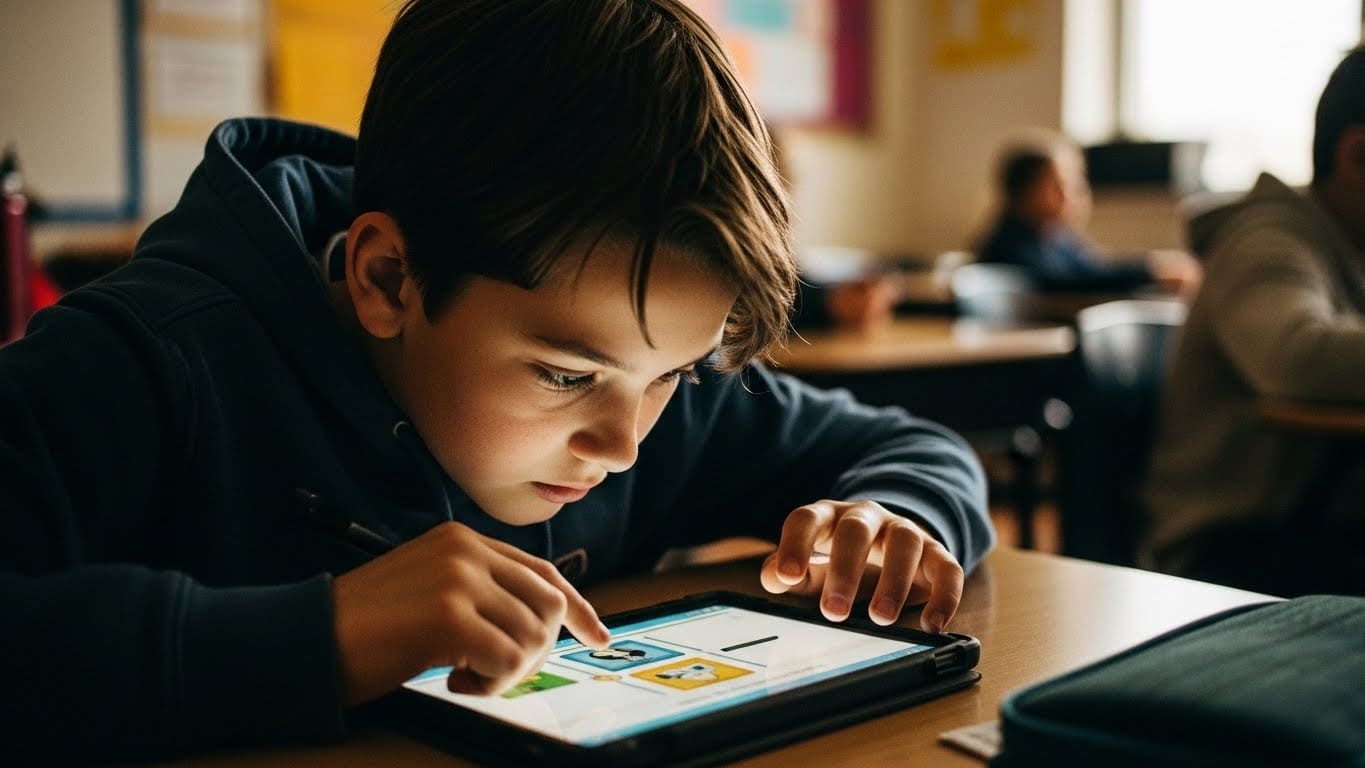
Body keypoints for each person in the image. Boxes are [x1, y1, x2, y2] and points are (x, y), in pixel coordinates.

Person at [0, 0, 992, 762]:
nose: (624, 446)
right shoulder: (151, 358)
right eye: (565, 375)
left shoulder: (638, 390)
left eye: (673, 377)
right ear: (389, 277)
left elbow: (914, 447)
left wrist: (893, 514)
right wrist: (322, 636)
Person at [1142, 46, 1365, 596]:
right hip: (1231, 547)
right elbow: (1299, 356)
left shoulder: (1345, 247)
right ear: (1358, 156)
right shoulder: (1268, 240)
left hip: (1315, 527)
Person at [973, 132, 1201, 294]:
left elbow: (1098, 268)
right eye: (1059, 185)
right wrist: (1150, 271)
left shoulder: (1056, 238)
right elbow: (1064, 283)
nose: (1074, 194)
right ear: (1023, 191)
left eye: (1075, 182)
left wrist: (1153, 266)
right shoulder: (1008, 244)